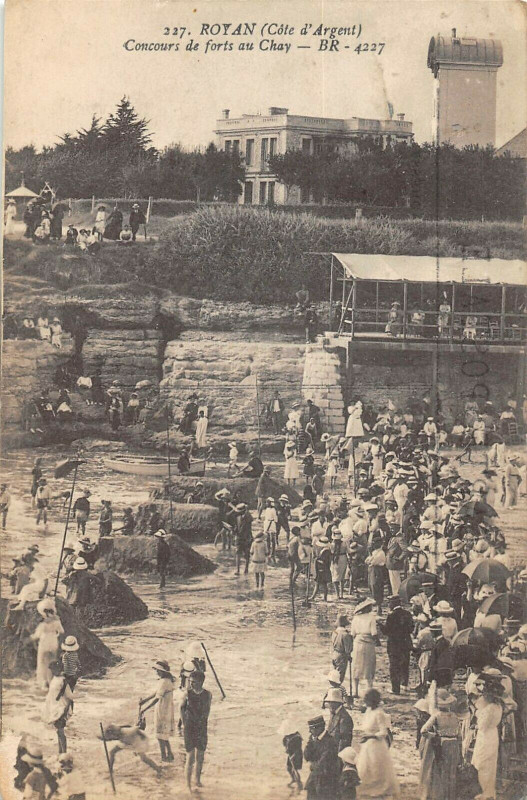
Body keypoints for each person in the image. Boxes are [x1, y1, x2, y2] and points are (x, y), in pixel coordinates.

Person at [356, 689, 399, 799]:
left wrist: (371, 736)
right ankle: (368, 787)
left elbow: (383, 732)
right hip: (367, 745)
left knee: (376, 768)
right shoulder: (368, 710)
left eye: (367, 699)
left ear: (373, 700)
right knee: (366, 768)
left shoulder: (379, 713)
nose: (365, 701)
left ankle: (378, 788)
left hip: (376, 745)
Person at [418, 688, 460, 800]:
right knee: (451, 771)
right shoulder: (454, 716)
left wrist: (434, 736)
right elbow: (459, 734)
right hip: (454, 745)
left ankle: (438, 795)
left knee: (438, 770)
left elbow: (423, 731)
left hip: (442, 744)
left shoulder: (436, 716)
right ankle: (449, 795)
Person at [471, 677, 504, 800]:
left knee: (483, 764)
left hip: (485, 736)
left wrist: (476, 715)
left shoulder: (490, 708)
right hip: (492, 734)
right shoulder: (498, 706)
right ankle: (489, 791)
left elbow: (482, 725)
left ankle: (486, 792)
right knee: (490, 765)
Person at [180, 670, 212, 793]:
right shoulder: (187, 693)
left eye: (193, 682)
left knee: (201, 756)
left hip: (201, 727)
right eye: (190, 681)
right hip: (190, 727)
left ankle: (197, 780)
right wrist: (184, 723)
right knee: (190, 757)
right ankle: (188, 785)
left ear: (201, 682)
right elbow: (181, 708)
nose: (191, 684)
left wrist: (203, 722)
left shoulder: (208, 694)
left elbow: (207, 710)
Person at [139, 660, 175, 762]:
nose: (157, 672)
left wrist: (145, 709)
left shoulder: (163, 682)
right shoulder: (167, 680)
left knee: (160, 735)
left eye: (158, 670)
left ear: (163, 671)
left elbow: (157, 698)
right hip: (167, 708)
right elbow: (157, 692)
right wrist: (145, 700)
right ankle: (170, 754)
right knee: (164, 734)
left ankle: (164, 757)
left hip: (162, 709)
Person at [379, 596, 414, 695]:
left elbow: (387, 631)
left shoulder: (391, 616)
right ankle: (404, 684)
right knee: (405, 663)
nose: (388, 605)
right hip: (405, 642)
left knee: (394, 666)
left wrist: (380, 625)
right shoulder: (407, 614)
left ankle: (395, 688)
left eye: (389, 603)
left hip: (394, 644)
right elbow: (411, 628)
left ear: (393, 604)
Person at [31, 598, 64, 689]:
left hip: (44, 641)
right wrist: (56, 633)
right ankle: (51, 680)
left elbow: (36, 635)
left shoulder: (43, 624)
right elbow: (61, 631)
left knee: (42, 662)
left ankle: (44, 681)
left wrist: (31, 637)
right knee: (52, 662)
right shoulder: (57, 622)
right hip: (53, 641)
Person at [304, 715, 339, 800]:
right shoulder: (313, 739)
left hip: (327, 780)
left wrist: (313, 764)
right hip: (316, 777)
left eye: (311, 728)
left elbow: (323, 763)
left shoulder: (330, 741)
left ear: (319, 728)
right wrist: (311, 742)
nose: (309, 731)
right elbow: (307, 756)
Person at [43, 661, 74, 754]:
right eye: (52, 670)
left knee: (60, 732)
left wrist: (65, 711)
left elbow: (70, 697)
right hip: (55, 708)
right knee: (58, 731)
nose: (52, 671)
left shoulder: (63, 681)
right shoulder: (55, 679)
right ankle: (60, 752)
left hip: (61, 709)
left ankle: (63, 753)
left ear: (59, 669)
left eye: (54, 669)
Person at [350, 599, 378, 698]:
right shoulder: (371, 618)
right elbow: (374, 633)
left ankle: (355, 691)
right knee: (369, 667)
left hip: (357, 643)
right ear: (367, 608)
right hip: (368, 644)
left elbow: (352, 634)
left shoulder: (355, 618)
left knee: (356, 666)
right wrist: (377, 642)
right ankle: (369, 690)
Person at [279, 720, 303, 793]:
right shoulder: (287, 736)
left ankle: (299, 784)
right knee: (289, 768)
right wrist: (287, 748)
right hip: (290, 754)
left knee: (295, 769)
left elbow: (298, 749)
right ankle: (293, 779)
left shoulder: (297, 737)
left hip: (297, 755)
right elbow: (284, 743)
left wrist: (293, 756)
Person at [331, 615, 353, 683]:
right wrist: (349, 656)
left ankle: (334, 687)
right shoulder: (345, 634)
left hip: (334, 654)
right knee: (340, 675)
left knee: (335, 675)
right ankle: (338, 687)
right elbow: (347, 649)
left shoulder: (335, 632)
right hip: (342, 655)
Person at [310, 536, 331, 601]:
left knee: (322, 584)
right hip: (320, 568)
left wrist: (316, 559)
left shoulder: (326, 551)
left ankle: (323, 598)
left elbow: (325, 561)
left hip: (323, 569)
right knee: (318, 583)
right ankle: (314, 597)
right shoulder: (324, 550)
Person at [235, 503, 252, 575]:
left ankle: (246, 569)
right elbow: (237, 527)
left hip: (247, 538)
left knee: (247, 554)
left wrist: (246, 510)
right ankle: (238, 570)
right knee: (238, 553)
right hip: (239, 537)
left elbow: (251, 519)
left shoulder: (248, 517)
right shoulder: (238, 517)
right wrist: (234, 530)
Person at [330, 532, 348, 599]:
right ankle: (341, 594)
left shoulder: (332, 544)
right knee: (342, 577)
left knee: (335, 576)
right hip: (343, 558)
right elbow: (348, 551)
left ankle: (337, 594)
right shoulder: (344, 543)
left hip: (336, 559)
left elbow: (331, 552)